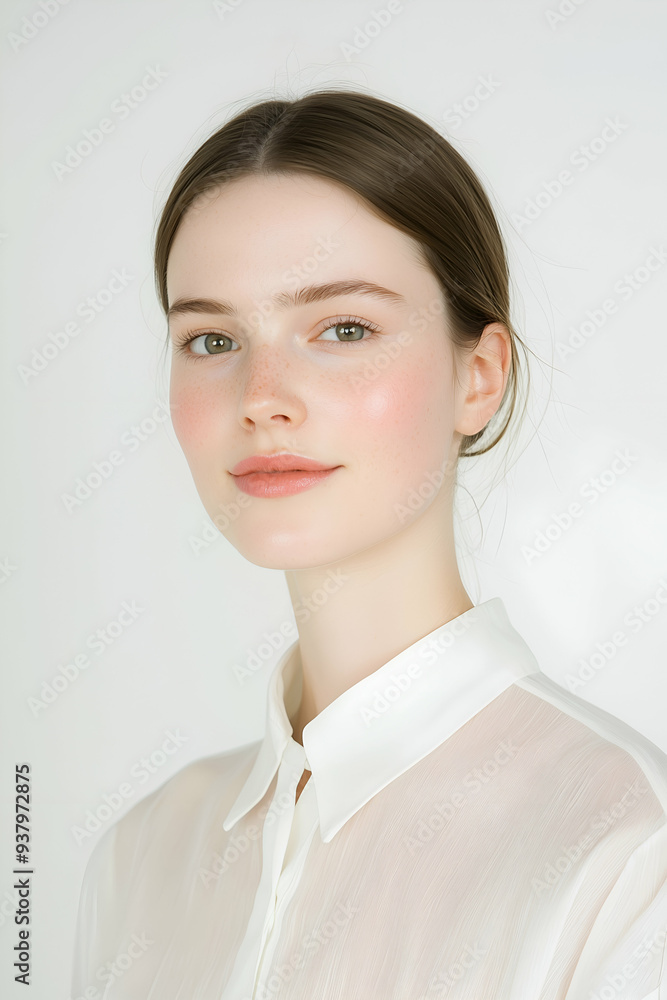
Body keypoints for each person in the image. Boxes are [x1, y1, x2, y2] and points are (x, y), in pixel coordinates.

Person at [71, 88, 667, 1000]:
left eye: (343, 329)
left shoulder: (623, 850)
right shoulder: (140, 858)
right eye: (212, 339)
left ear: (479, 376)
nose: (261, 397)